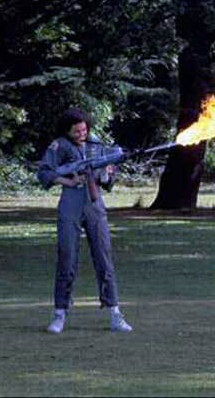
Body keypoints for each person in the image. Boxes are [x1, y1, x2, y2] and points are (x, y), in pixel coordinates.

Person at [37, 107, 132, 333]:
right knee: (67, 258)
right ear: (68, 131)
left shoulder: (98, 146)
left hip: (95, 205)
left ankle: (114, 313)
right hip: (70, 204)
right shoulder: (59, 146)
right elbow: (44, 173)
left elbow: (108, 183)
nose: (82, 133)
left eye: (84, 129)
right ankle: (60, 313)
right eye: (77, 130)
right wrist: (69, 181)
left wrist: (108, 171)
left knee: (104, 257)